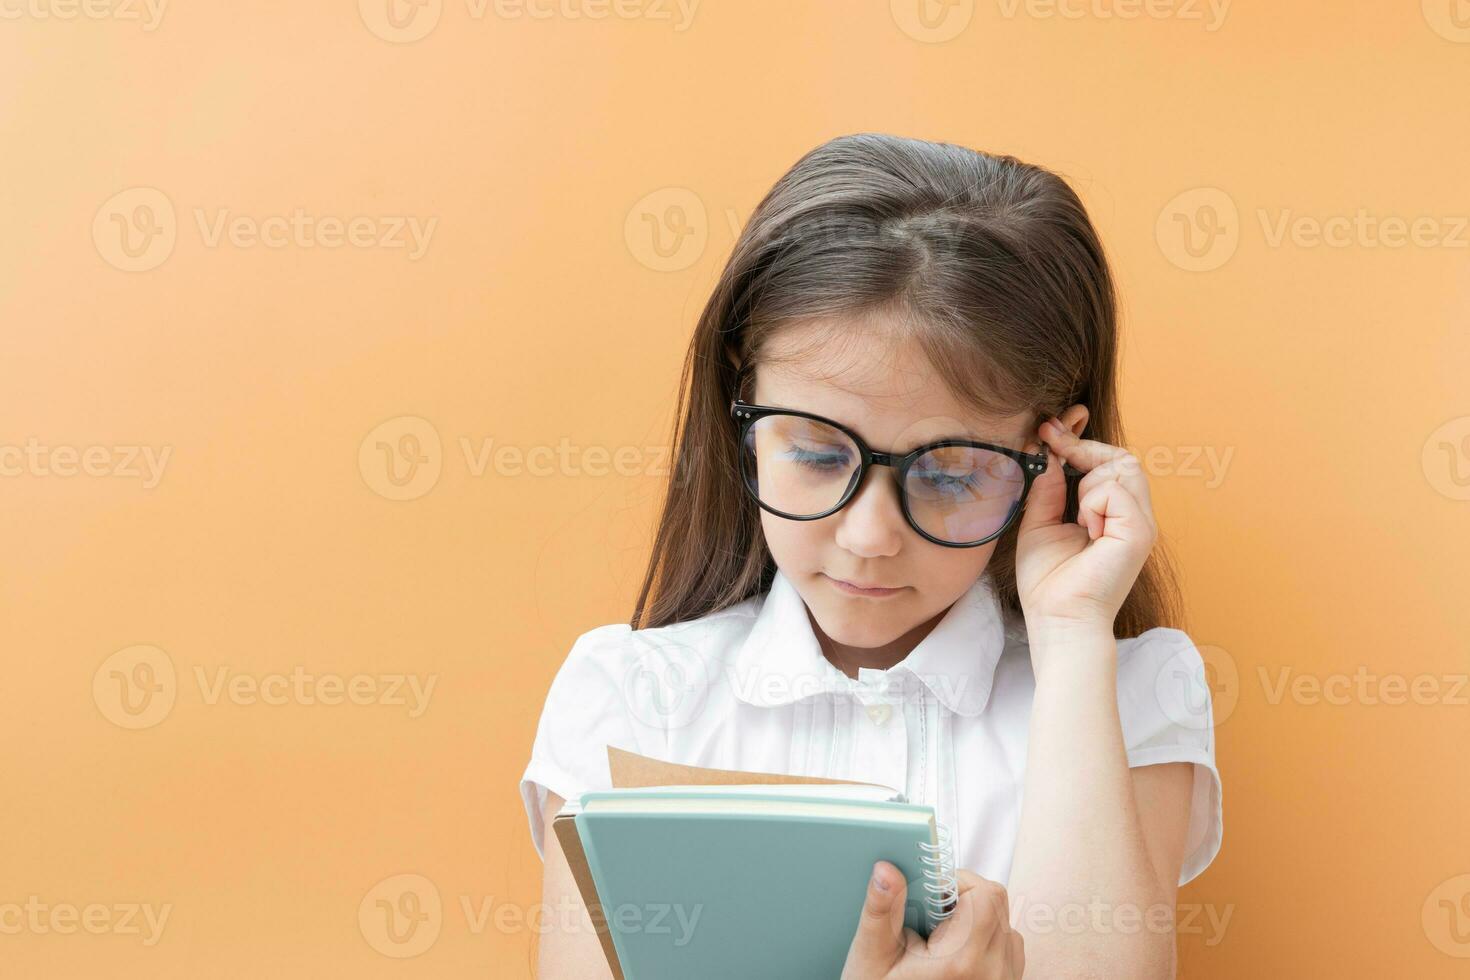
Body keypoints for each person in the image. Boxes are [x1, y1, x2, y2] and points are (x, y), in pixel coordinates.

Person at [520, 132, 1223, 978]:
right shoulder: (634, 697)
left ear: (1053, 454)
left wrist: (1073, 634)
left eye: (950, 473)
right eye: (817, 457)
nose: (869, 537)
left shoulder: (1122, 698)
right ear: (742, 409)